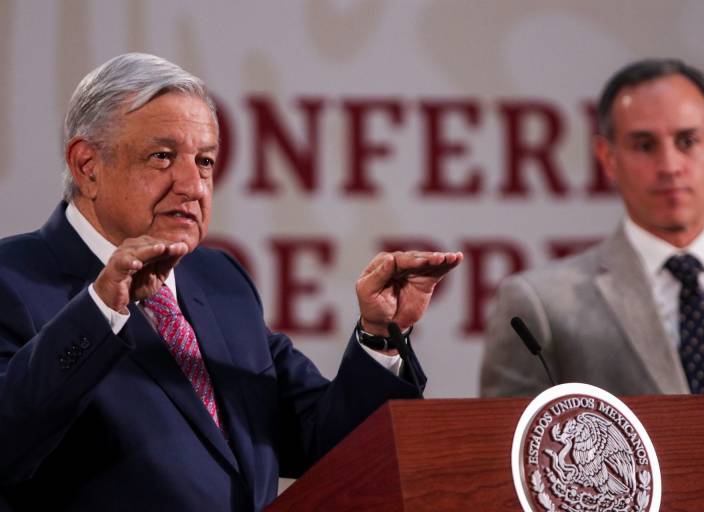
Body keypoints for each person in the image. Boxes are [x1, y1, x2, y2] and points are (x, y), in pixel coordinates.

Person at [0, 53, 463, 511]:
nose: (193, 185)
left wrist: (378, 337)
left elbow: (324, 439)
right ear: (87, 166)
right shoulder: (13, 281)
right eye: (162, 157)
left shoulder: (220, 280)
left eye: (204, 161)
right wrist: (101, 310)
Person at [481, 58, 704, 423]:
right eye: (644, 145)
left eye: (687, 141)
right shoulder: (541, 305)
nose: (669, 165)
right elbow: (509, 456)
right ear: (608, 158)